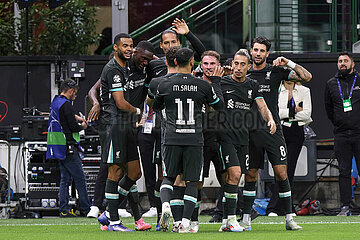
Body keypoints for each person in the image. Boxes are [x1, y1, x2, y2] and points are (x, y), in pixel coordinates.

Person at [240, 36, 312, 231]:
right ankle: (246, 218)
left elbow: (307, 77)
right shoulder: (243, 72)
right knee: (251, 175)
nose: (257, 53)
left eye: (262, 51)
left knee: (281, 173)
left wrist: (288, 62)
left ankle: (289, 218)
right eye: (255, 49)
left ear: (267, 53)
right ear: (251, 50)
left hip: (273, 131)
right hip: (251, 133)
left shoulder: (276, 71)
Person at [153, 48, 223, 233]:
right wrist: (215, 82)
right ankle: (185, 222)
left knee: (168, 177)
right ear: (193, 62)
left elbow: (156, 106)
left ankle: (166, 205)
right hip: (194, 138)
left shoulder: (164, 84)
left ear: (175, 62)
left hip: (172, 137)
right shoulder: (202, 85)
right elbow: (219, 106)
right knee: (192, 182)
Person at [87, 40, 154, 231]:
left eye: (149, 59)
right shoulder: (115, 68)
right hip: (114, 125)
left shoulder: (136, 67)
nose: (145, 62)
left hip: (128, 126)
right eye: (143, 58)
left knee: (134, 173)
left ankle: (110, 213)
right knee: (115, 171)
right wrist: (97, 103)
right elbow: (96, 90)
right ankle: (116, 219)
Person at [217, 49, 276, 232]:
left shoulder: (252, 85)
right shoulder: (222, 82)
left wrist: (270, 119)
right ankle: (233, 219)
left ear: (249, 67)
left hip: (244, 138)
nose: (238, 67)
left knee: (235, 179)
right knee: (234, 175)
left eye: (243, 64)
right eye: (236, 63)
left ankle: (227, 221)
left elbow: (262, 105)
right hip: (225, 137)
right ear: (232, 64)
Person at [266, 80, 312, 215]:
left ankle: (284, 207)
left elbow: (306, 114)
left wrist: (286, 113)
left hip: (296, 131)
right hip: (279, 130)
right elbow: (275, 113)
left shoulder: (304, 90)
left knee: (289, 169)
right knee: (279, 168)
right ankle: (277, 207)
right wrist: (293, 110)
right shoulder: (277, 89)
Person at [46, 79, 91, 217]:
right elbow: (72, 127)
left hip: (58, 147)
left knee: (65, 179)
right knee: (80, 178)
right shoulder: (67, 105)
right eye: (75, 94)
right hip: (68, 146)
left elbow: (66, 116)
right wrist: (83, 126)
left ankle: (64, 210)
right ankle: (87, 209)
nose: (75, 96)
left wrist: (76, 118)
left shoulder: (56, 102)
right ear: (70, 91)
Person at [325, 52, 360, 216]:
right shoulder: (331, 83)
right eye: (340, 61)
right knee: (344, 171)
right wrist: (340, 122)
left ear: (353, 64)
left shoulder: (359, 80)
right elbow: (329, 109)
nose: (342, 63)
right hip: (341, 134)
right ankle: (345, 206)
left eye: (346, 61)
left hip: (359, 133)